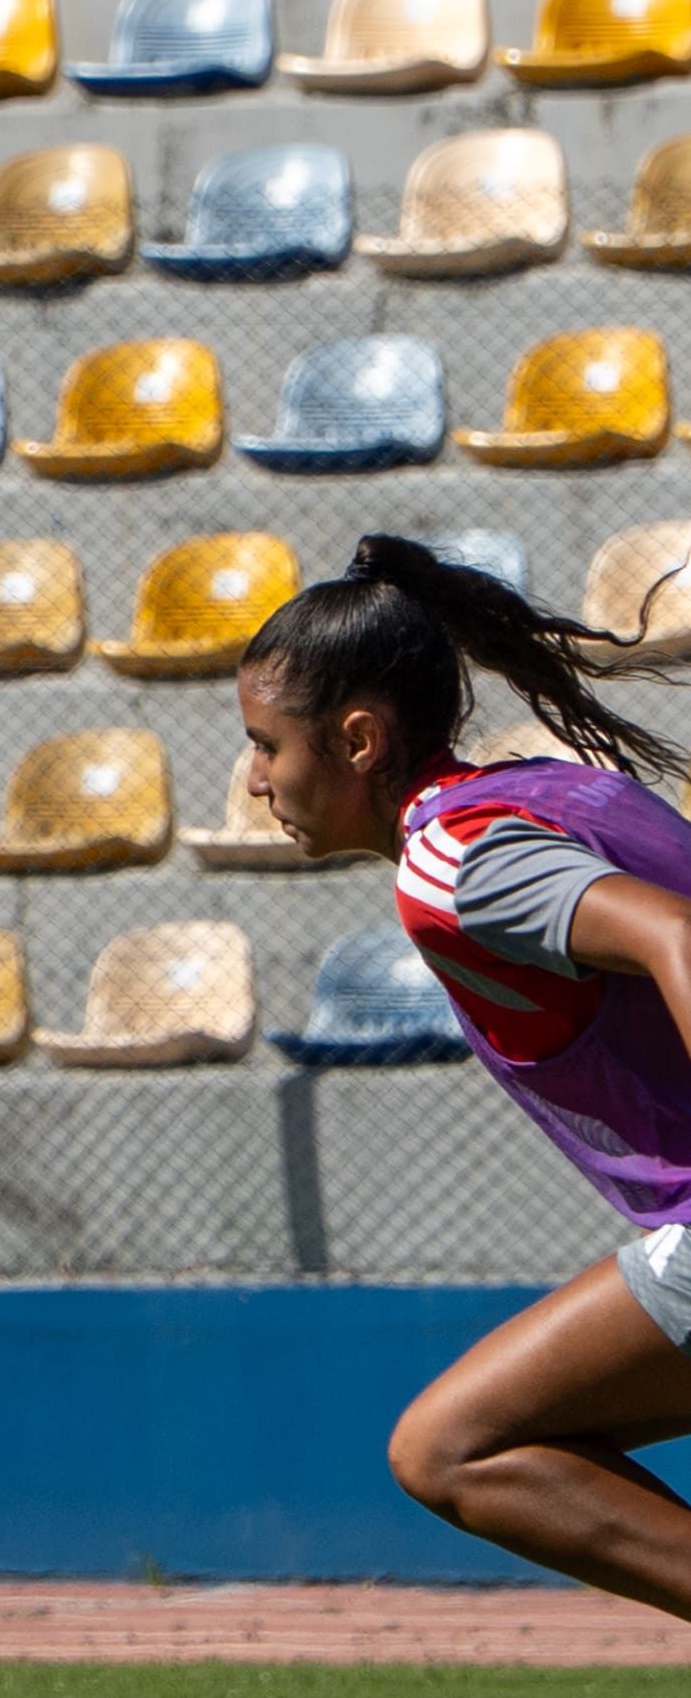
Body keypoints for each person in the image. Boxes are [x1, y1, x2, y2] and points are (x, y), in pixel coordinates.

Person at [239, 533, 691, 1614]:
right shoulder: (549, 791)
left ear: (357, 740)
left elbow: (677, 933)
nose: (255, 780)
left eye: (266, 745)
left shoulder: (451, 862)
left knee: (452, 1446)